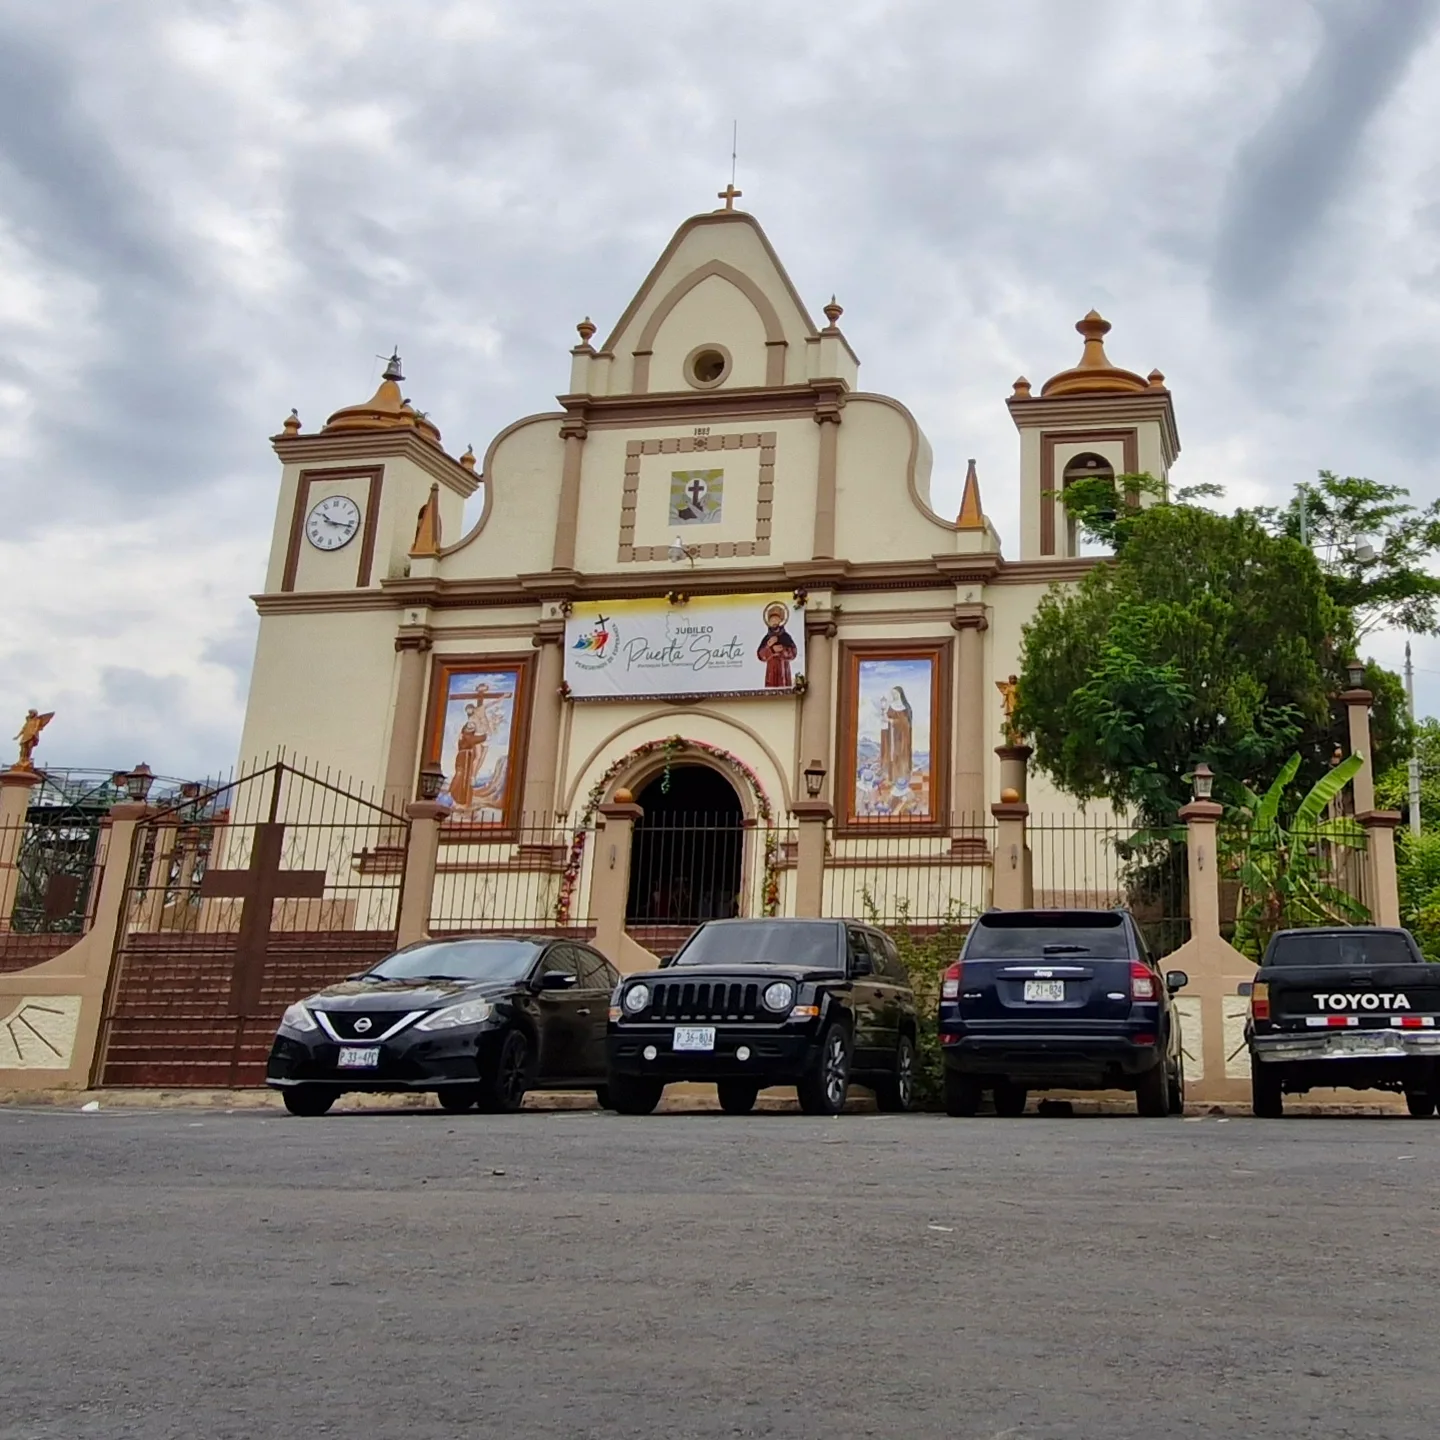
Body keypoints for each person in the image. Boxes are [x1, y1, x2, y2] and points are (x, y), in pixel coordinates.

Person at [878, 687, 914, 789]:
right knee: (892, 755)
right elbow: (887, 718)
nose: (894, 696)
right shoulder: (891, 706)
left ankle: (902, 778)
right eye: (892, 694)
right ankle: (892, 778)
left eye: (896, 694)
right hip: (892, 736)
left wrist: (892, 721)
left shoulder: (905, 707)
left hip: (902, 738)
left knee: (901, 756)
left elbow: (905, 723)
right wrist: (884, 718)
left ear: (900, 694)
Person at [756, 604, 798, 688]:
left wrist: (783, 650)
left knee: (784, 686)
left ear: (780, 621)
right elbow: (760, 655)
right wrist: (770, 648)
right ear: (769, 622)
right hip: (771, 669)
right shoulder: (767, 638)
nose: (774, 622)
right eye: (772, 620)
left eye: (776, 619)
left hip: (783, 668)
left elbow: (793, 652)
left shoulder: (785, 636)